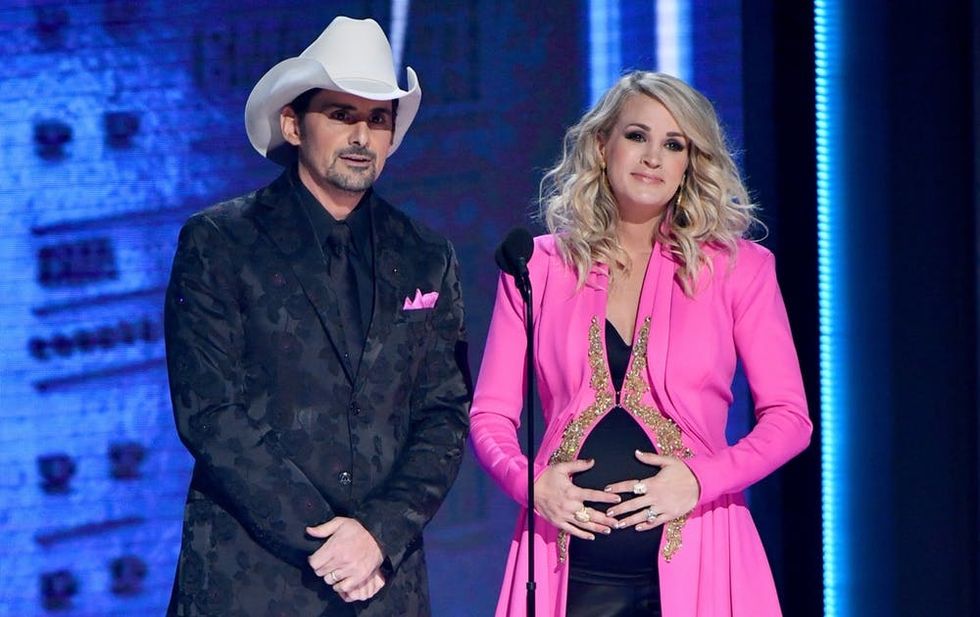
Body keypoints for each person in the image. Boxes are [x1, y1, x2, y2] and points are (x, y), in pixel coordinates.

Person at [469, 71, 812, 616]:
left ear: (690, 163)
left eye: (674, 145)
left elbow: (790, 420)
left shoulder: (738, 268)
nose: (653, 157)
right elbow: (490, 416)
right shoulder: (538, 267)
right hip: (566, 570)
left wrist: (700, 479)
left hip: (704, 557)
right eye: (637, 136)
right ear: (601, 146)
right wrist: (531, 484)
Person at [164, 16, 470, 616]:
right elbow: (210, 413)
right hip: (251, 580)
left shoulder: (427, 256)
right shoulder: (220, 242)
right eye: (341, 114)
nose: (361, 135)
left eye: (377, 119)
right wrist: (329, 544)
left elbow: (444, 412)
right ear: (292, 124)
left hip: (381, 583)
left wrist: (377, 535)